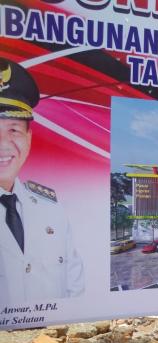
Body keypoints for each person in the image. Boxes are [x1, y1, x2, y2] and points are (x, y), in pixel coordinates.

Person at [0, 58, 84, 303]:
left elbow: (74, 287)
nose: (3, 144)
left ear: (29, 138)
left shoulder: (51, 210)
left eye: (13, 130)